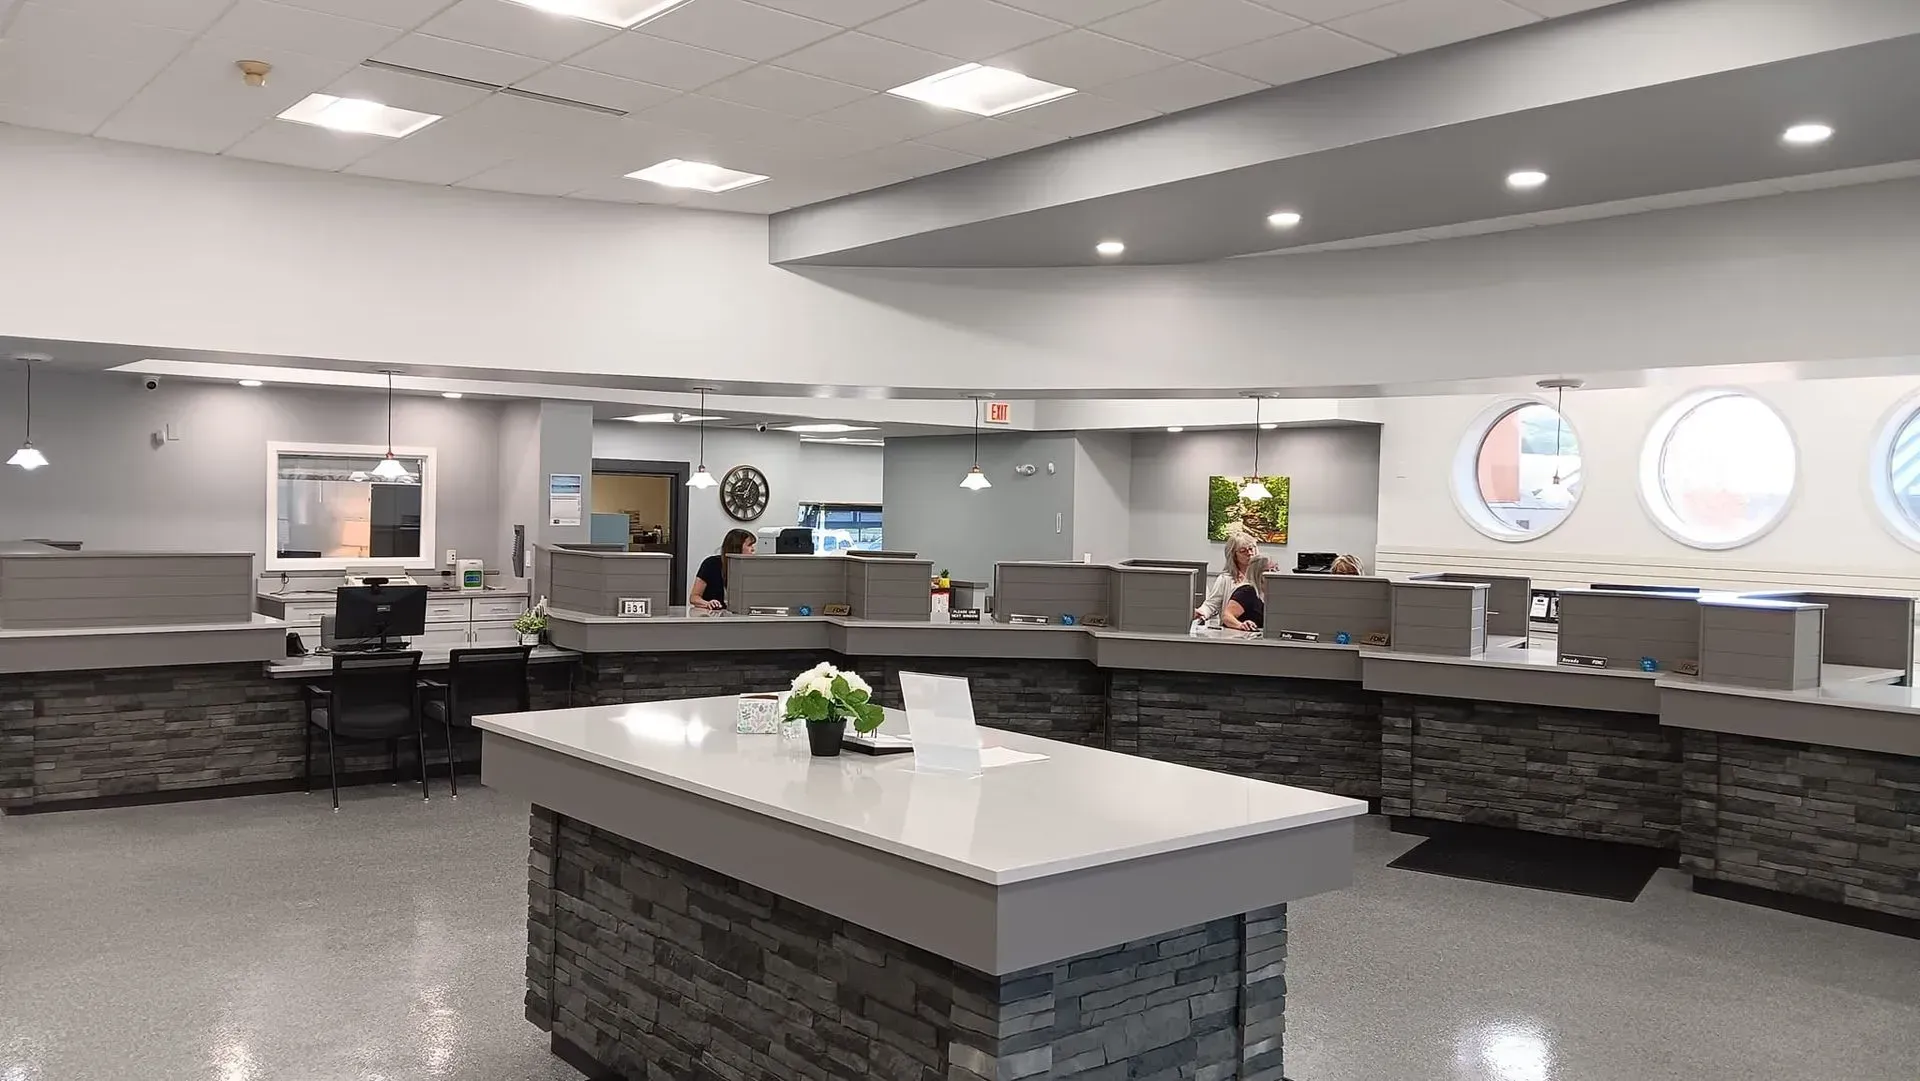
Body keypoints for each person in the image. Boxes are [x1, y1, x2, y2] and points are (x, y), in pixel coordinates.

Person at [1196, 531, 1258, 623]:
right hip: (1231, 630)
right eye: (1243, 551)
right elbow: (1211, 605)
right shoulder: (1225, 579)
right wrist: (1201, 612)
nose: (1249, 553)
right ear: (1233, 555)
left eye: (1251, 549)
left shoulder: (1263, 577)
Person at [690, 529, 755, 611]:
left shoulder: (751, 568)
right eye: (749, 545)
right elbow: (694, 597)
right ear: (736, 547)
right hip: (714, 616)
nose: (753, 549)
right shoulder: (711, 564)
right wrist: (707, 603)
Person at [1223, 555, 1271, 632]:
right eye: (1270, 570)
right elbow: (1226, 616)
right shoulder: (1246, 592)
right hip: (1241, 639)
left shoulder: (1268, 594)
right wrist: (1241, 625)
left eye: (1276, 569)